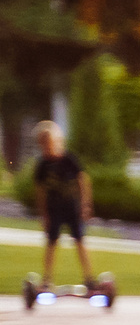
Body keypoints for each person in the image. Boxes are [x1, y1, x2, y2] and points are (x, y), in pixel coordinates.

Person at [30, 122, 97, 289]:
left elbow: (83, 181)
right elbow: (40, 192)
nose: (47, 148)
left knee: (80, 241)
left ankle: (89, 278)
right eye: (43, 145)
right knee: (51, 243)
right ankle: (47, 279)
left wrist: (85, 205)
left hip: (72, 209)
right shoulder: (42, 166)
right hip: (54, 210)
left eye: (50, 143)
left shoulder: (69, 159)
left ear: (58, 141)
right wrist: (43, 215)